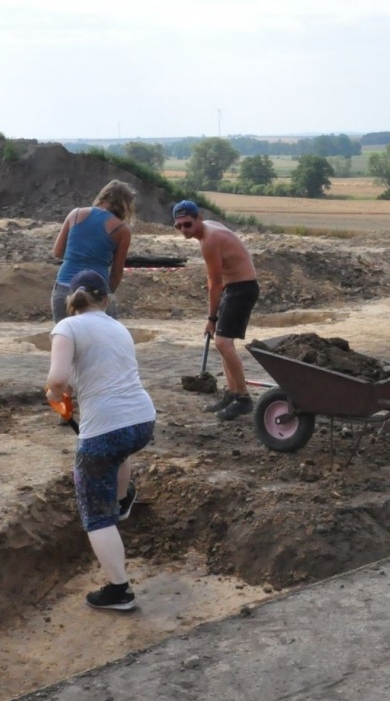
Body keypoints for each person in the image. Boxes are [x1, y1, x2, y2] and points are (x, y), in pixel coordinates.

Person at [46, 269, 156, 610]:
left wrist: (52, 393)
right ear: (106, 299)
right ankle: (122, 502)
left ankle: (119, 591)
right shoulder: (119, 328)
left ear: (71, 301)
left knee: (95, 515)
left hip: (105, 428)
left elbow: (59, 378)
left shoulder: (67, 326)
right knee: (118, 453)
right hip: (141, 421)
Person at [171, 200, 261, 421]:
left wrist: (211, 317)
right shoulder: (208, 229)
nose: (184, 229)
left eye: (187, 224)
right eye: (179, 226)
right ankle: (231, 393)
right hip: (237, 287)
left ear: (198, 218)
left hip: (242, 289)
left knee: (222, 341)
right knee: (222, 341)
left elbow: (215, 283)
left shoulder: (209, 241)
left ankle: (243, 398)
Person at [50, 180, 136, 323]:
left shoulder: (75, 214)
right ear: (125, 205)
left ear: (103, 196)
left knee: (65, 339)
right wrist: (106, 294)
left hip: (64, 289)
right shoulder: (122, 230)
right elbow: (116, 273)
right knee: (102, 342)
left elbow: (58, 252)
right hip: (96, 294)